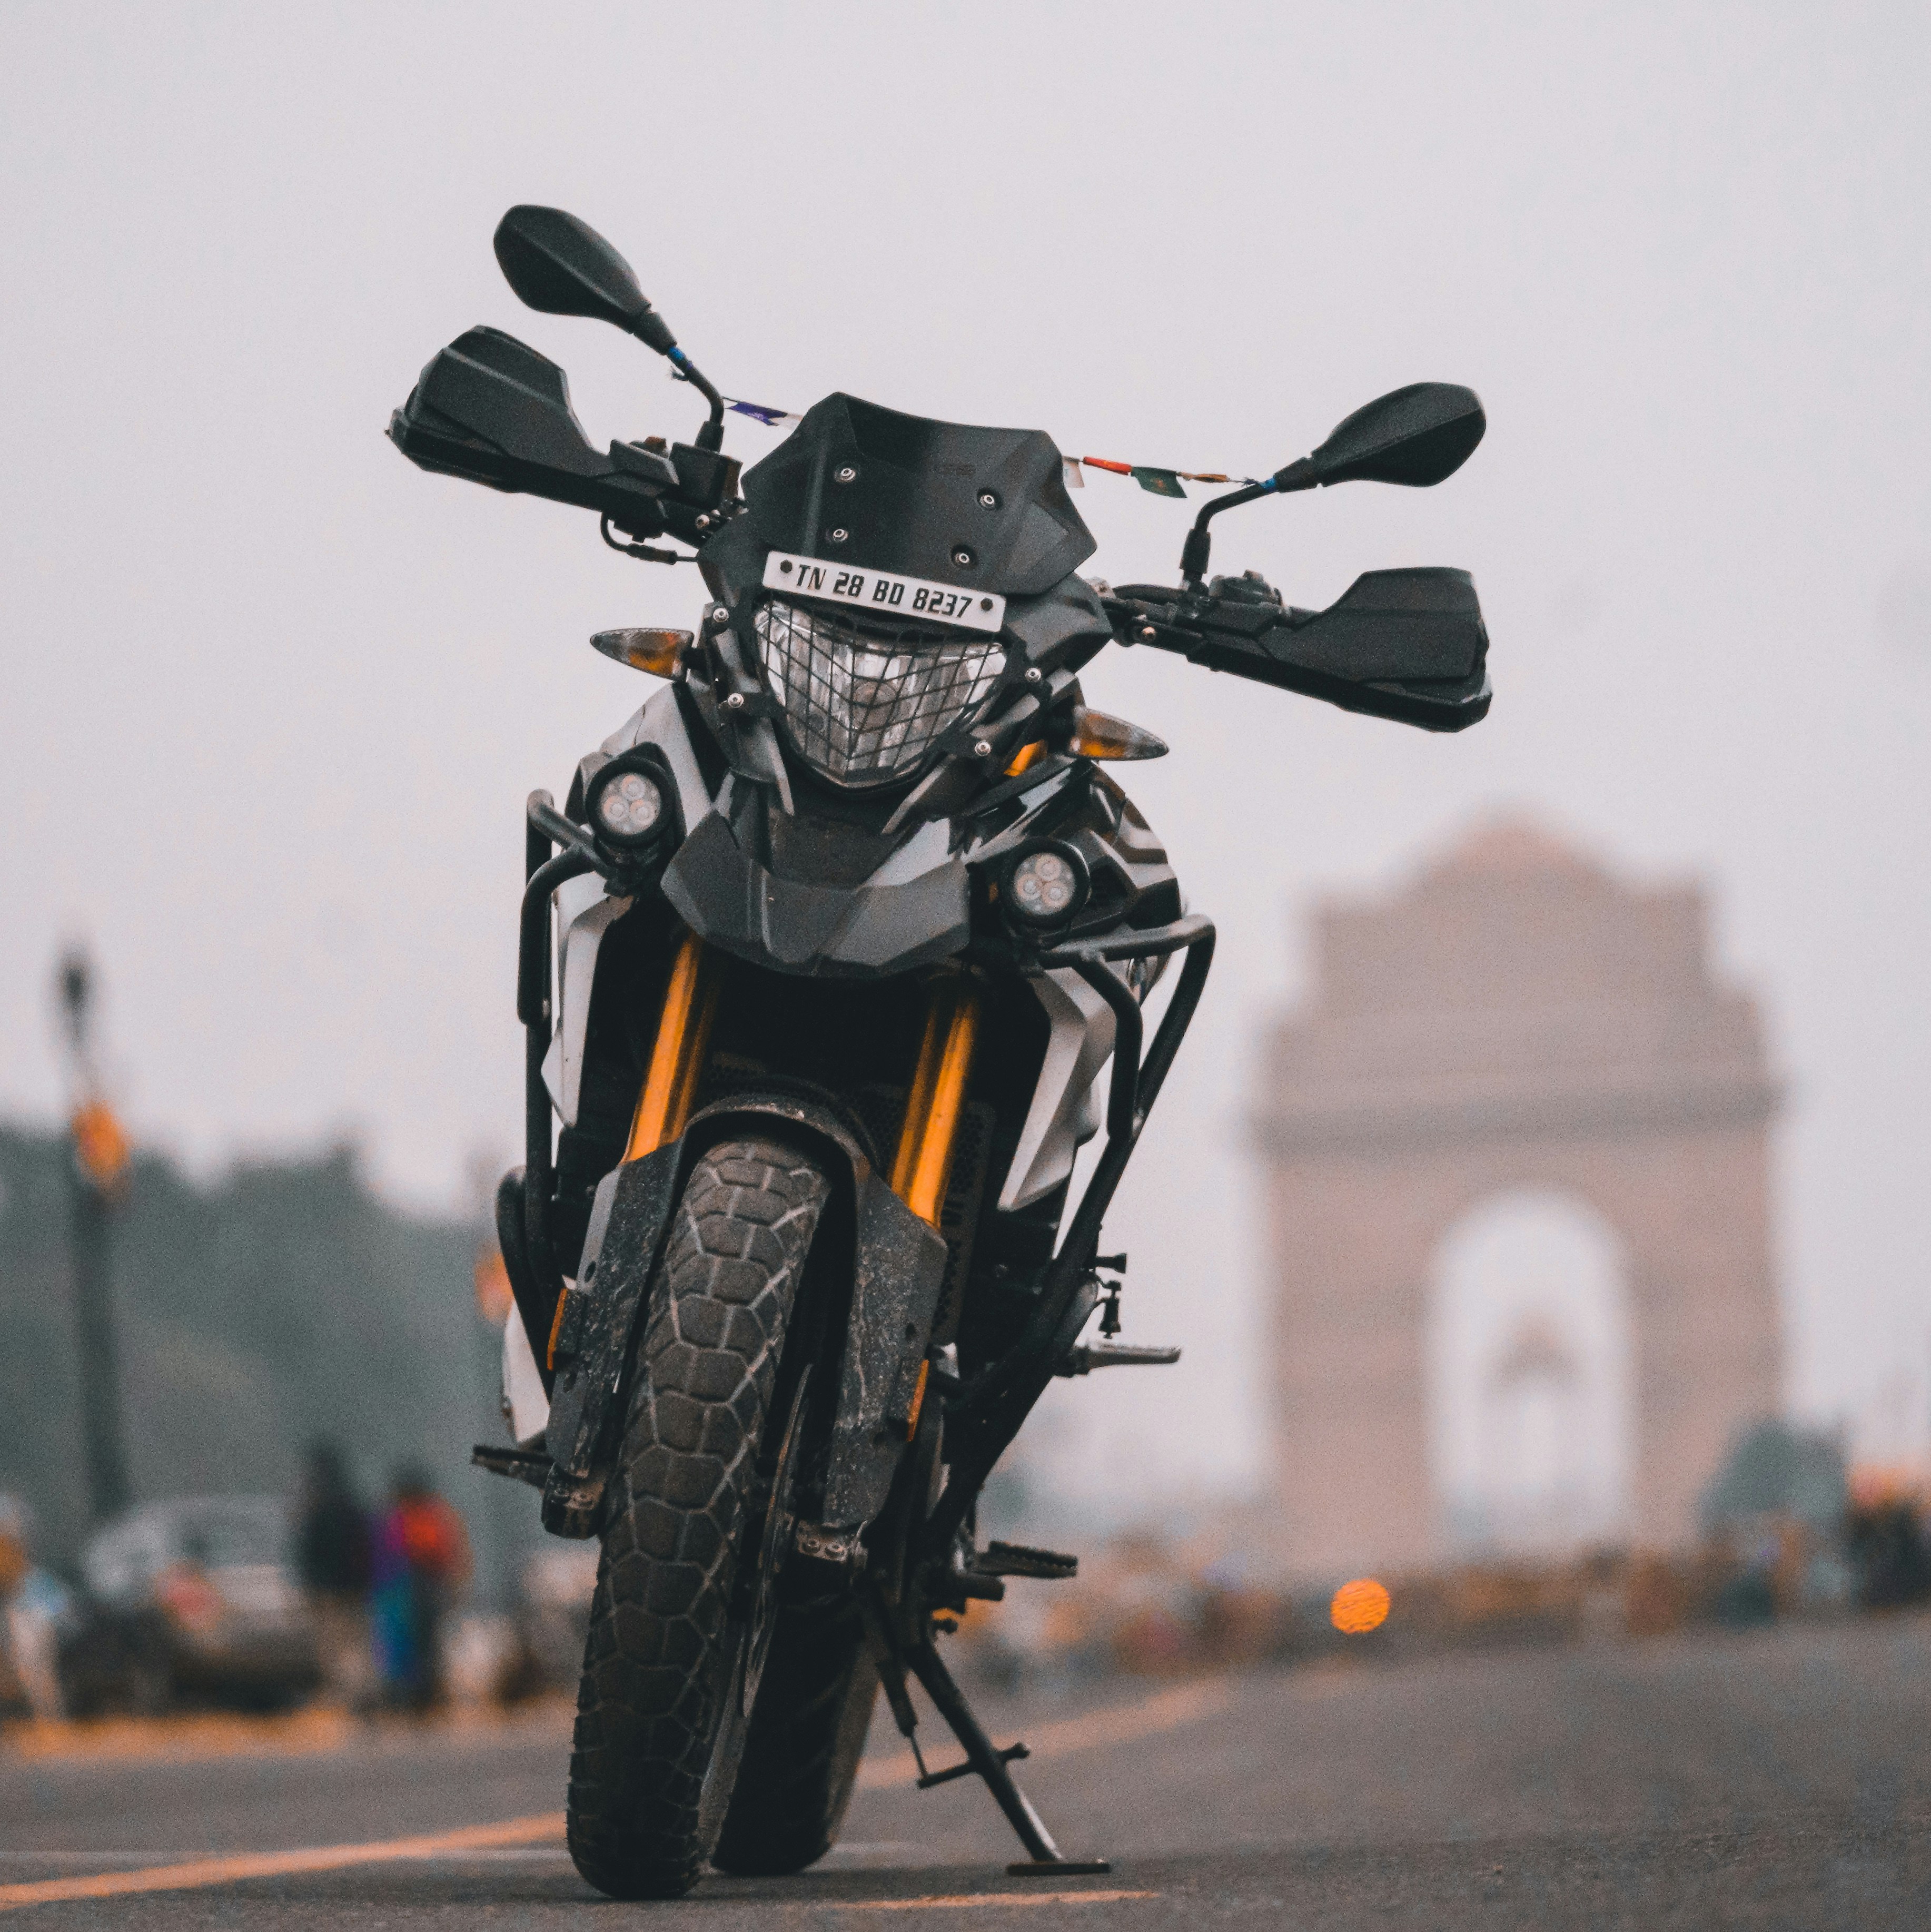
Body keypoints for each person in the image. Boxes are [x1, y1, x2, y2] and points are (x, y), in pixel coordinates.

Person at [370, 1467, 470, 1712]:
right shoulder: (432, 1515)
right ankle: (421, 1695)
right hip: (419, 1591)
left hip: (416, 1591)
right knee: (421, 1646)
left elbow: (429, 1554)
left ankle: (420, 1696)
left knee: (418, 1646)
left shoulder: (411, 1517)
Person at [293, 1444, 373, 1707]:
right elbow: (366, 1549)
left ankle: (347, 1697)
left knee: (333, 1647)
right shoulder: (354, 1508)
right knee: (355, 1644)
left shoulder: (315, 1511)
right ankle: (361, 1692)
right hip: (355, 1589)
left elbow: (307, 1552)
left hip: (326, 1592)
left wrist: (310, 1583)